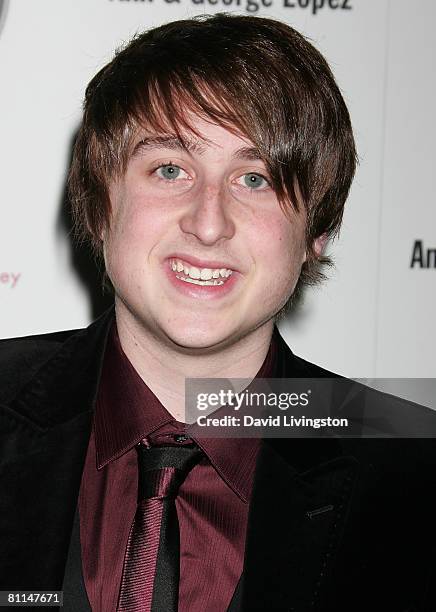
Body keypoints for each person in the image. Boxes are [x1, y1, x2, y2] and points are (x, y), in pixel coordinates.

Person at [1, 13, 436, 612]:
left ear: (317, 231)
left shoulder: (414, 475)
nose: (208, 223)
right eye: (171, 169)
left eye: (255, 179)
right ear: (102, 204)